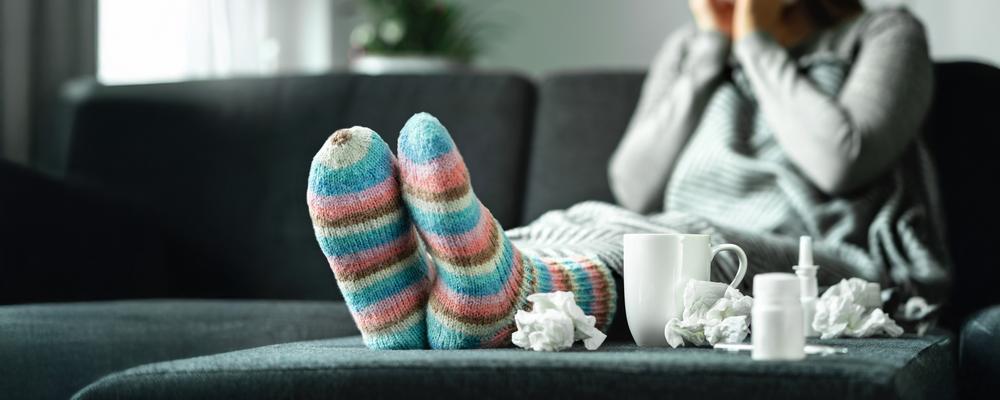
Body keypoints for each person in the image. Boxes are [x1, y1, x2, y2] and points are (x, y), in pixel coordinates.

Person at [306, 0, 950, 350]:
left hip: (825, 262)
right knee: (577, 216)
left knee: (679, 236)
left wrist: (754, 41)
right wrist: (705, 59)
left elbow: (839, 162)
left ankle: (504, 296)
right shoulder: (689, 52)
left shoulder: (885, 32)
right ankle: (427, 305)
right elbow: (632, 185)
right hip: (671, 230)